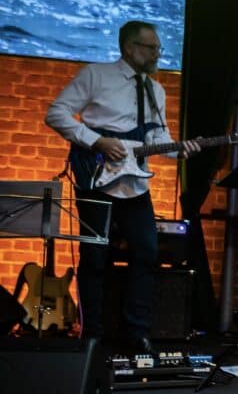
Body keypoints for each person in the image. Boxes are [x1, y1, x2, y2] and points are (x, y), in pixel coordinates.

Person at [44, 20, 200, 355]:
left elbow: (157, 139)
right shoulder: (96, 75)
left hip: (134, 182)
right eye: (151, 48)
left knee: (146, 251)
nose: (157, 54)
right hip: (96, 176)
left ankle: (137, 333)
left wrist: (180, 149)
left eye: (158, 48)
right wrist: (97, 140)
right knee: (94, 257)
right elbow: (56, 113)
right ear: (130, 48)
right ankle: (92, 334)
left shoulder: (155, 90)